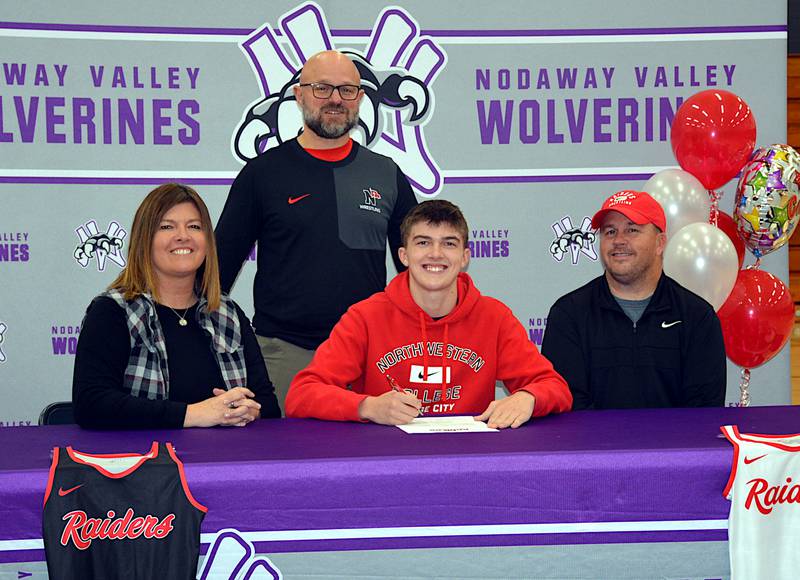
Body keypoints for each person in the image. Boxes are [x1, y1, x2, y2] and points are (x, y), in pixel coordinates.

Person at [215, 50, 418, 413]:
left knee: (371, 463)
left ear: (360, 98)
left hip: (368, 356)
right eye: (322, 88)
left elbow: (416, 271)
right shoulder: (262, 174)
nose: (336, 99)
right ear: (299, 94)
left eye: (347, 90)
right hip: (285, 356)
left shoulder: (386, 174)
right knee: (284, 465)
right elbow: (217, 273)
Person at [285, 200, 572, 428]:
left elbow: (554, 387)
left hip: (468, 460)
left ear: (465, 257)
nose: (436, 253)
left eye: (449, 243)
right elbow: (301, 394)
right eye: (423, 242)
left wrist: (528, 398)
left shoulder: (494, 317)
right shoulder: (365, 317)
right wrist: (368, 407)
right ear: (404, 256)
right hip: (387, 461)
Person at [73, 183, 281, 429]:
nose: (183, 235)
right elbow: (92, 405)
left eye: (194, 226)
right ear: (144, 240)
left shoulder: (229, 314)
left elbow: (267, 404)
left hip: (226, 462)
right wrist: (193, 415)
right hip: (150, 463)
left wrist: (248, 411)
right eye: (166, 226)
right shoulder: (113, 311)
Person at [541, 190, 727, 410]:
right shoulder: (569, 314)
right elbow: (568, 407)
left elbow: (704, 412)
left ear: (660, 243)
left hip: (675, 444)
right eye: (610, 232)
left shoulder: (697, 317)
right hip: (593, 444)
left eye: (632, 230)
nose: (619, 240)